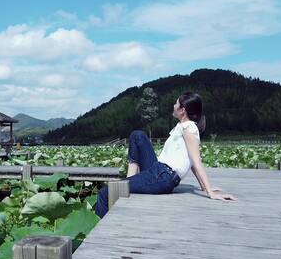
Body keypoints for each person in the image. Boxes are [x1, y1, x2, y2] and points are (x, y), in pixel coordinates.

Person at [95, 92, 236, 218]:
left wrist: (209, 192)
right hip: (158, 171)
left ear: (183, 110)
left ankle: (97, 232)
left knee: (104, 193)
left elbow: (195, 160)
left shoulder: (189, 128)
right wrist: (204, 187)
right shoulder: (182, 126)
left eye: (176, 103)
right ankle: (131, 180)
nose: (173, 105)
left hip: (162, 176)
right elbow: (191, 162)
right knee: (137, 135)